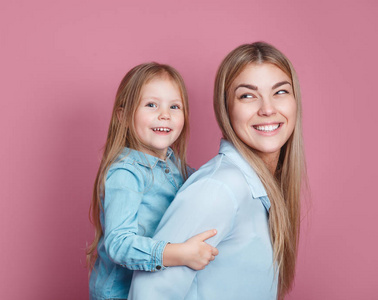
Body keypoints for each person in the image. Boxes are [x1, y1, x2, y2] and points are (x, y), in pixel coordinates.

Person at [129, 42, 307, 300]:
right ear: (226, 109)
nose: (267, 109)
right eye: (247, 95)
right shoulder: (220, 188)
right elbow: (149, 293)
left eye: (280, 92)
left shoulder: (256, 187)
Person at [87, 62, 219, 300]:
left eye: (174, 106)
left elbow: (202, 187)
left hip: (156, 288)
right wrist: (181, 254)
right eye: (151, 105)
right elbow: (119, 244)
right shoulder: (126, 172)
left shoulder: (173, 164)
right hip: (121, 294)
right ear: (123, 116)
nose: (165, 114)